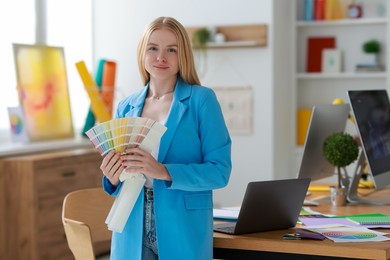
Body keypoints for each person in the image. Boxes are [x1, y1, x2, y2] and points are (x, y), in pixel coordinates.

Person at [100, 16, 232, 260]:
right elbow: (117, 180)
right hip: (131, 224)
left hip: (183, 226)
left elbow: (220, 171)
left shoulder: (202, 101)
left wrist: (162, 170)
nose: (161, 57)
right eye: (153, 48)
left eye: (172, 50)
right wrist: (111, 177)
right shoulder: (125, 107)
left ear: (183, 56)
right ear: (142, 52)